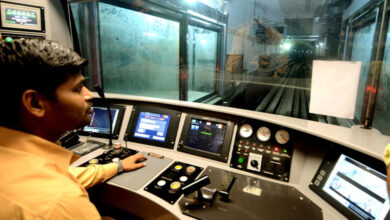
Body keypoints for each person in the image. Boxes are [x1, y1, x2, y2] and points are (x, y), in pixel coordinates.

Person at [0, 38, 147, 219]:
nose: (88, 95)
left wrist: (118, 165)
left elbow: (67, 174)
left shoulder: (15, 162)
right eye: (78, 88)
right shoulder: (59, 201)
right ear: (35, 103)